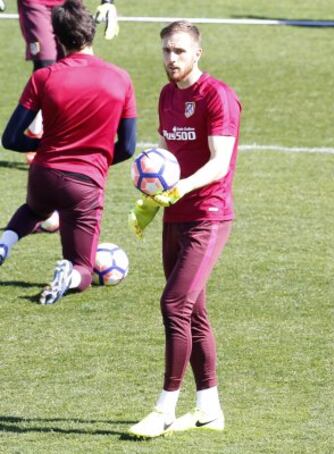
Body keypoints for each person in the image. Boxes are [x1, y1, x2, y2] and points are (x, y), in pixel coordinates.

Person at [128, 20, 241, 438]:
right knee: (192, 311)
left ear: (197, 54)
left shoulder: (217, 96)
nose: (171, 59)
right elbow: (167, 156)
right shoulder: (166, 96)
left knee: (173, 305)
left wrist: (180, 188)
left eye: (179, 51)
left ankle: (163, 409)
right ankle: (209, 409)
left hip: (208, 216)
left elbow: (219, 162)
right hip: (175, 216)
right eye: (166, 51)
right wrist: (148, 203)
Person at [0, 0, 136, 305]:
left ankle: (3, 244)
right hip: (85, 184)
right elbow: (127, 146)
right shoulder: (121, 78)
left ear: (57, 38)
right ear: (92, 32)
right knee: (84, 269)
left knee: (34, 211)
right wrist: (97, 158)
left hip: (43, 175)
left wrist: (45, 145)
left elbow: (10, 139)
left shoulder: (43, 78)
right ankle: (68, 277)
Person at [17, 0, 119, 162]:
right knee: (46, 64)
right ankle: (36, 131)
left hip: (69, 3)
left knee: (70, 63)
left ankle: (68, 132)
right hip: (35, 3)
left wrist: (108, 2)